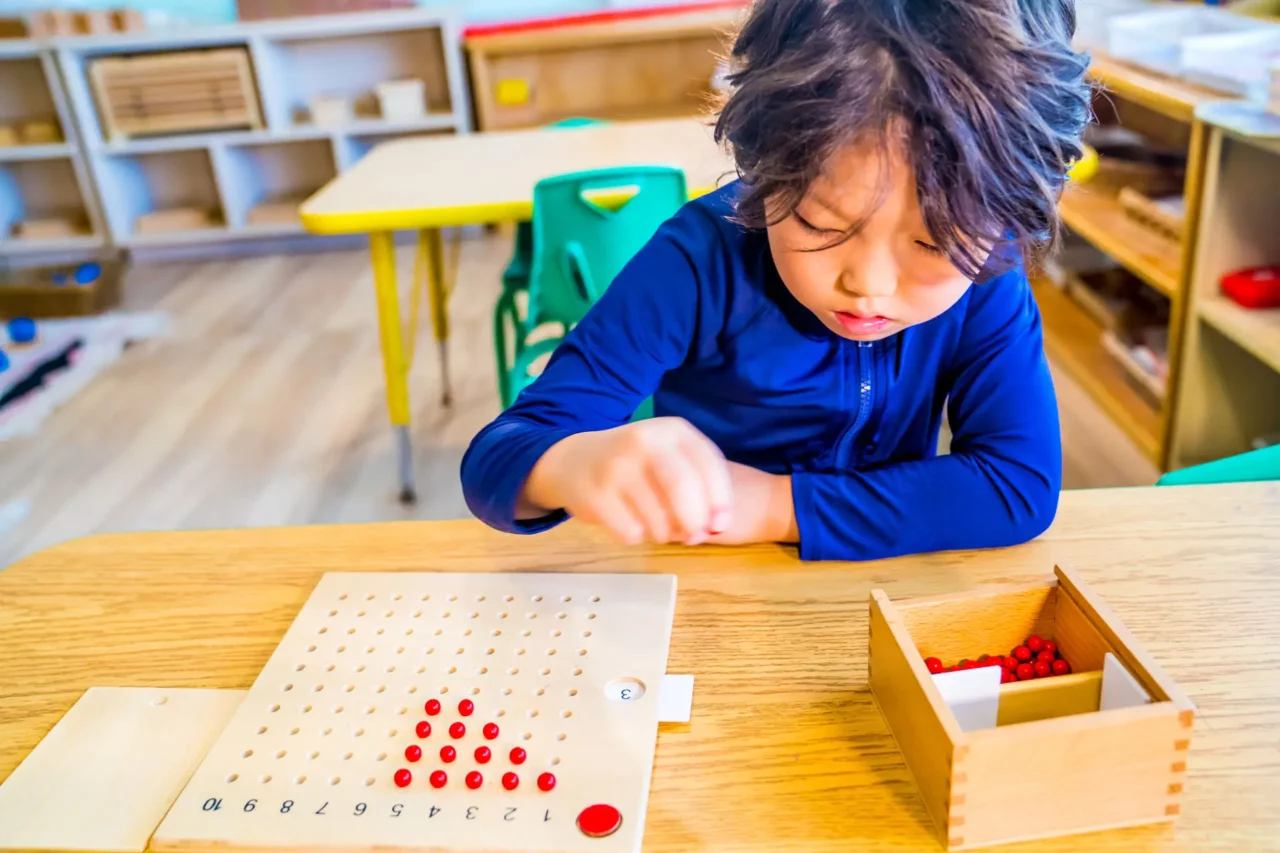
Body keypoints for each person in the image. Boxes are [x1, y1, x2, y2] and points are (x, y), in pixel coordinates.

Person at [460, 0, 1092, 561]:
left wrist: (770, 506)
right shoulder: (698, 260)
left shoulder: (985, 266)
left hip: (890, 593)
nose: (868, 286)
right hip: (712, 590)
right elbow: (498, 459)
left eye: (933, 243)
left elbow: (1017, 486)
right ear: (763, 168)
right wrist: (570, 463)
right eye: (823, 224)